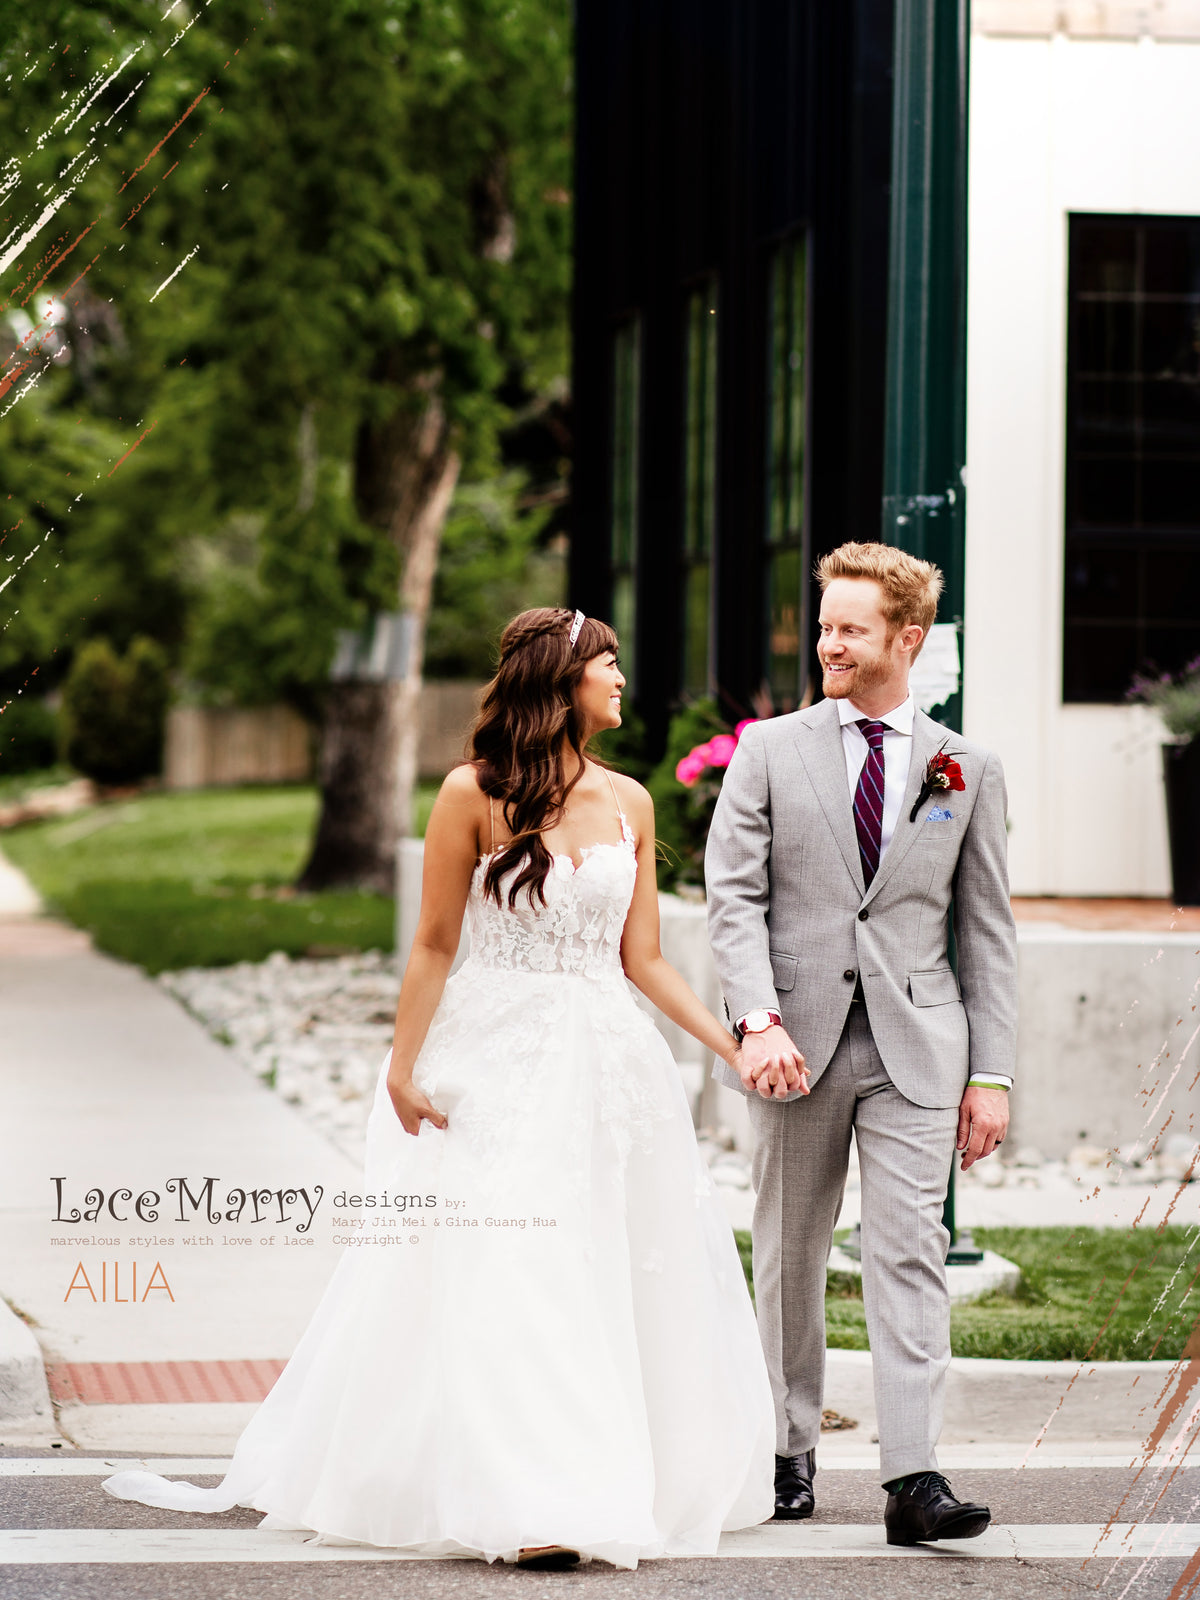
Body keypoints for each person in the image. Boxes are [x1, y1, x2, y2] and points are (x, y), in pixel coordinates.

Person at [103, 606, 777, 1570]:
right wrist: (401, 1064)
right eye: (610, 665)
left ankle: (610, 1478)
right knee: (515, 1267)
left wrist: (729, 1042)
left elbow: (647, 961)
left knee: (610, 1265)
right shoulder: (471, 793)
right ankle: (539, 1500)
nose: (625, 680)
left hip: (610, 1068)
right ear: (562, 680)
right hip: (496, 1060)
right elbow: (432, 941)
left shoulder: (632, 801)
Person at [704, 542, 1017, 1548]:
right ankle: (788, 1450)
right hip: (793, 1044)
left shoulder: (962, 767)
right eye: (825, 624)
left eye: (850, 628)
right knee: (791, 1251)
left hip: (920, 1047)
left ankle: (913, 1475)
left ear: (906, 639)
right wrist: (756, 1022)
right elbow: (732, 899)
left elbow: (988, 931)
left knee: (910, 1255)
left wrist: (993, 1072)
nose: (827, 643)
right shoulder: (768, 749)